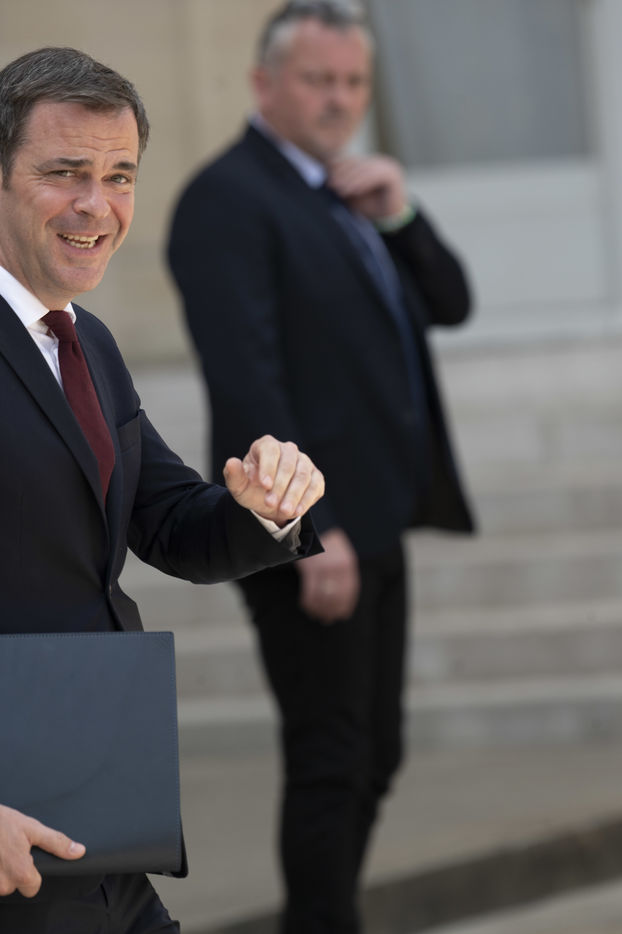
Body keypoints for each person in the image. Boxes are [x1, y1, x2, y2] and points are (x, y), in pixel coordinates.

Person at [0, 45, 326, 934]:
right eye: (64, 173)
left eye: (119, 176)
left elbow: (172, 522)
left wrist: (265, 506)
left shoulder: (86, 342)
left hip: (99, 818)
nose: (96, 205)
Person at [168, 2, 475, 931]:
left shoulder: (344, 193)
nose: (340, 99)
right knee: (332, 761)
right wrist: (312, 530)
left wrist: (400, 212)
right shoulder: (226, 199)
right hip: (305, 531)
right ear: (264, 84)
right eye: (318, 80)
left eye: (354, 82)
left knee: (374, 753)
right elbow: (245, 377)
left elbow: (450, 302)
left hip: (374, 521)